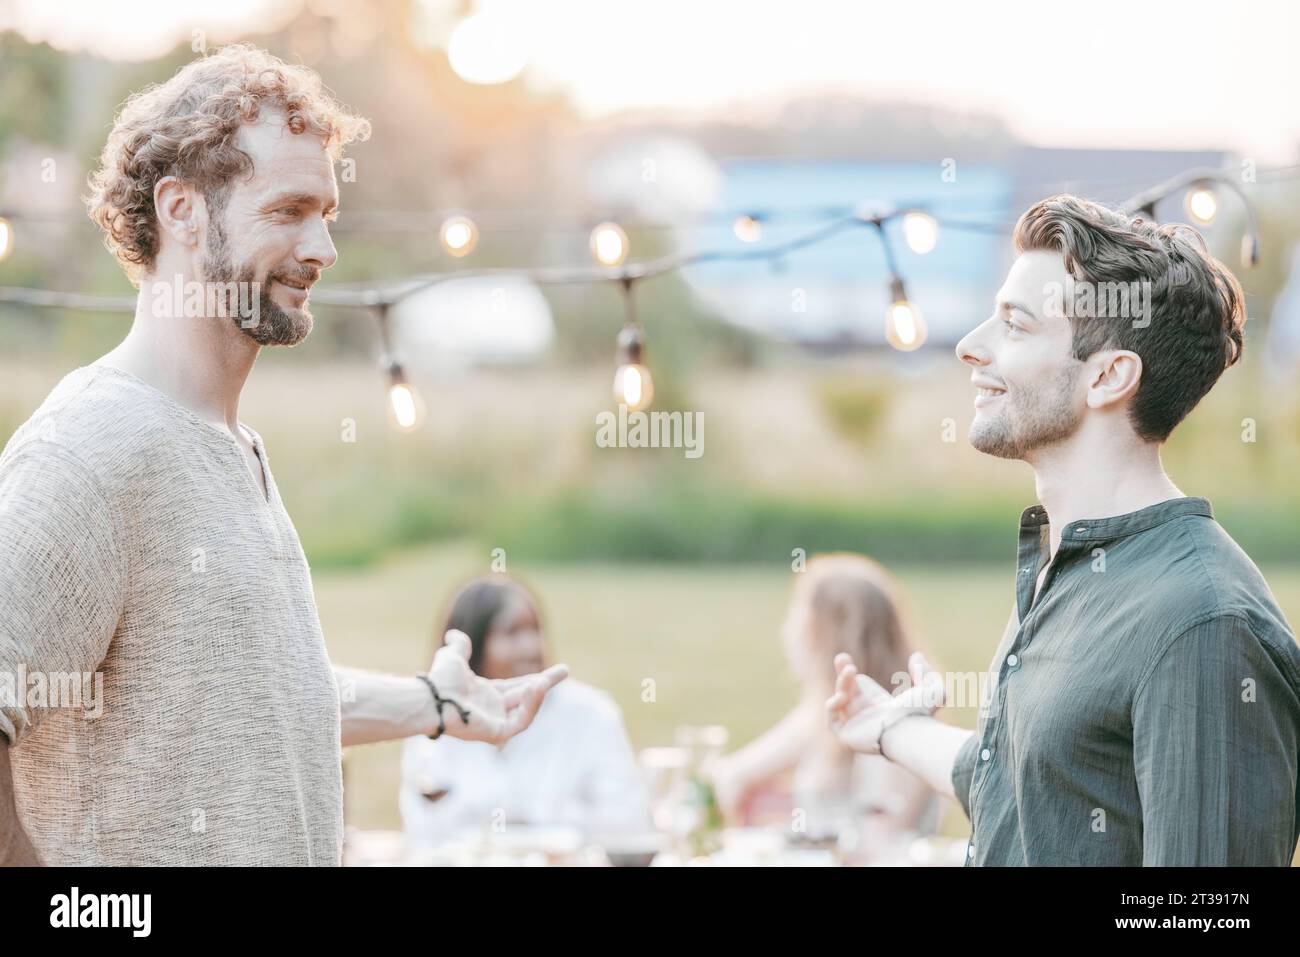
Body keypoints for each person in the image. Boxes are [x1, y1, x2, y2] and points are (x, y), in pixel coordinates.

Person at [0, 45, 567, 867]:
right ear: (182, 209)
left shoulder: (231, 444)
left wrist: (433, 701)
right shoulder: (91, 450)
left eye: (327, 212)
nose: (324, 248)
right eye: (290, 209)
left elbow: (245, 698)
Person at [828, 195, 1300, 866]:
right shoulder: (1068, 564)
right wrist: (891, 729)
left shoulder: (1203, 624)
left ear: (1108, 376)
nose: (970, 345)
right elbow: (1027, 777)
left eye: (1014, 326)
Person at [706, 554, 939, 857]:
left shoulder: (893, 724)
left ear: (828, 635)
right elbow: (731, 776)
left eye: (798, 618)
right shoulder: (821, 714)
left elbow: (876, 848)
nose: (788, 634)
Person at [400, 576, 650, 850]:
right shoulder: (437, 721)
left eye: (534, 630)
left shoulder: (591, 715)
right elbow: (422, 832)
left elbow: (629, 823)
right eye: (512, 632)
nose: (531, 647)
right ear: (473, 643)